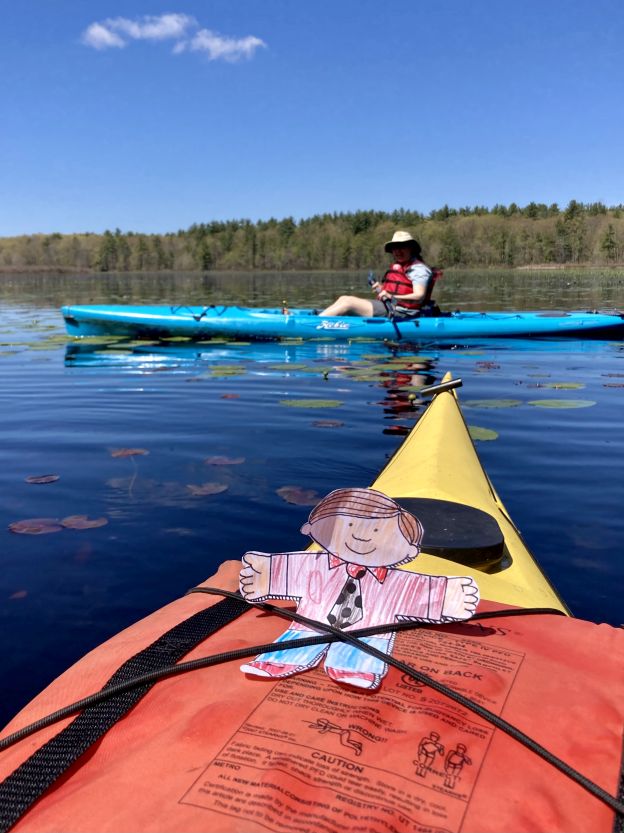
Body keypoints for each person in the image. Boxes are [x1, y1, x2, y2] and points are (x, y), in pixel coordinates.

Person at [239, 487, 479, 690]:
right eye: (351, 524)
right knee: (295, 642)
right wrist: (264, 576)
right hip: (308, 624)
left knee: (364, 652)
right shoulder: (313, 564)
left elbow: (417, 591)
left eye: (376, 531)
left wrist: (449, 597)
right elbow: (289, 570)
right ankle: (278, 661)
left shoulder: (396, 581)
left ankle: (355, 668)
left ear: (407, 548)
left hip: (369, 633)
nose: (361, 537)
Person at [319, 230, 437, 317]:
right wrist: (382, 288)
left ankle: (314, 324)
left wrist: (392, 296)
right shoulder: (402, 265)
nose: (397, 251)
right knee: (344, 298)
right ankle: (320, 319)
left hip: (404, 312)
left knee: (348, 303)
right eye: (395, 248)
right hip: (392, 306)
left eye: (402, 247)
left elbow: (419, 297)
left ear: (411, 248)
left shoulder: (418, 269)